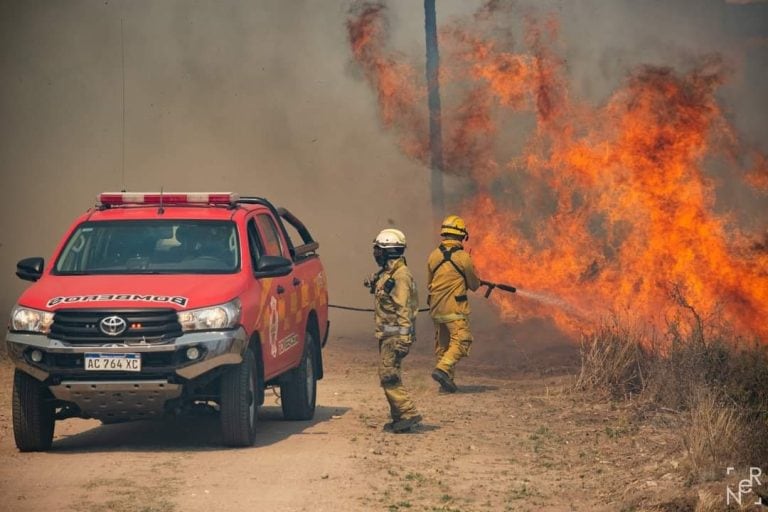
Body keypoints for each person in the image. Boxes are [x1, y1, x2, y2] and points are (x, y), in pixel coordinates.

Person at [369, 228, 422, 433]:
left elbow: (403, 309)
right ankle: (399, 419)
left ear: (389, 251)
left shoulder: (400, 276)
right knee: (388, 374)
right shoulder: (389, 273)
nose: (376, 254)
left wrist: (403, 339)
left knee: (388, 375)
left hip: (394, 334)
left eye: (379, 250)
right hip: (387, 333)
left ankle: (408, 413)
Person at [427, 215, 481, 393]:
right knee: (461, 341)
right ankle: (442, 370)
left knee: (443, 345)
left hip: (436, 309)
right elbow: (474, 285)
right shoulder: (463, 257)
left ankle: (447, 381)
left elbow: (431, 282)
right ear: (462, 236)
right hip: (455, 309)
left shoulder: (433, 255)